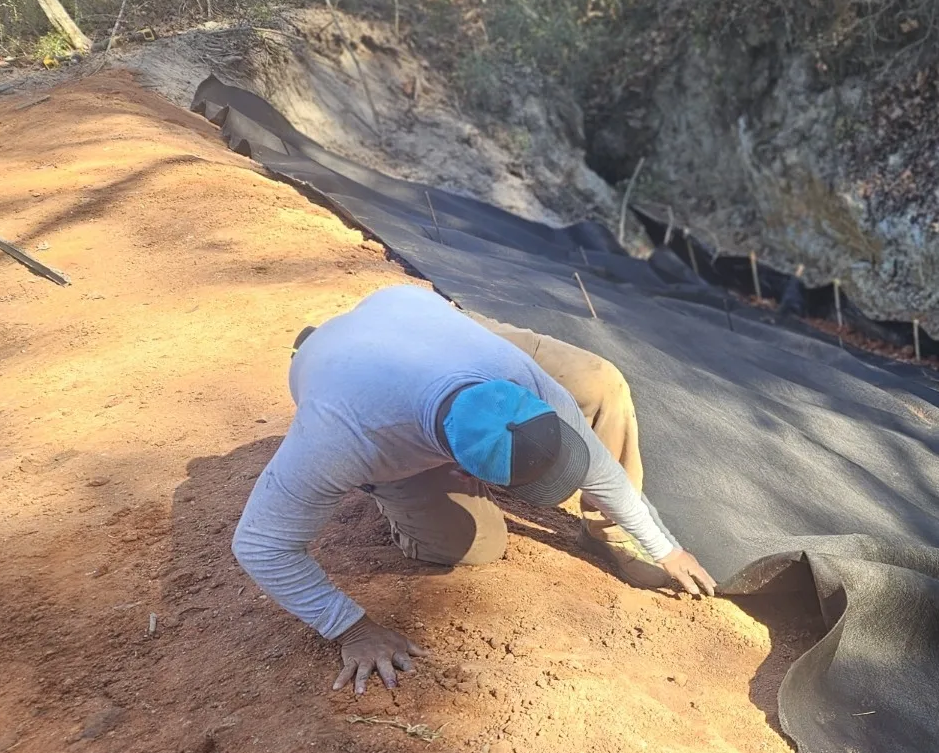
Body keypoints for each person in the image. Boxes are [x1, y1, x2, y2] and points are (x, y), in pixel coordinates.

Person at [233, 284, 718, 694]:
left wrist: (665, 549)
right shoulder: (343, 442)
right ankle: (391, 474)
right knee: (473, 546)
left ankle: (609, 534)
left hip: (422, 318)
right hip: (343, 375)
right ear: (462, 467)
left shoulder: (525, 385)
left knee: (600, 383)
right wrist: (351, 627)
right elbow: (260, 546)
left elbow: (597, 465)